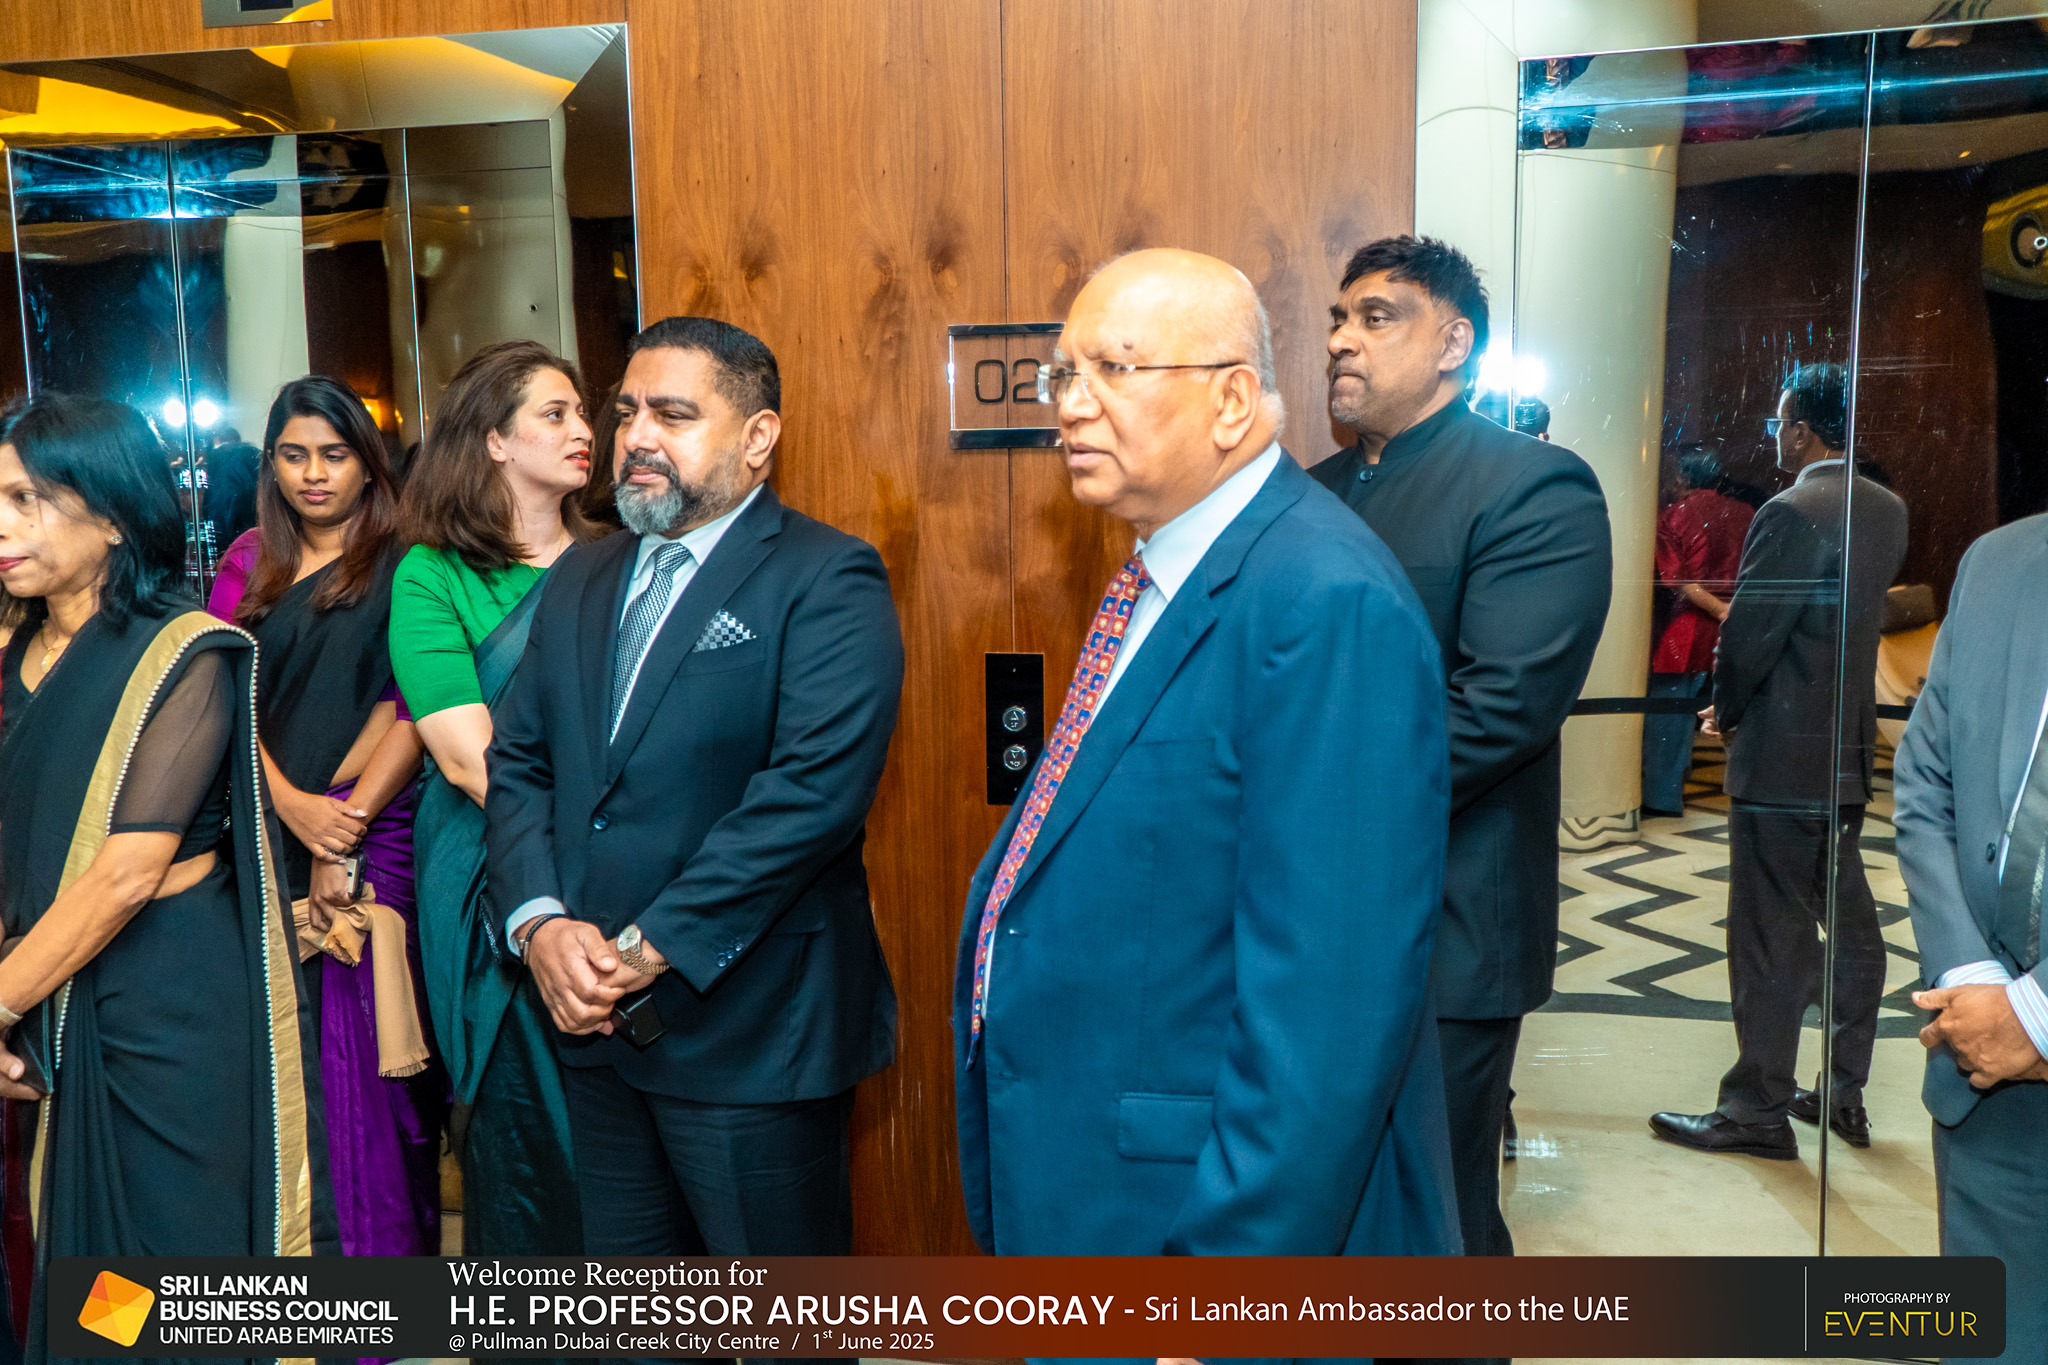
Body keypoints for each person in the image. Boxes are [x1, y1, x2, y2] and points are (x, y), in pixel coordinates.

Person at [954, 248, 1460, 1259]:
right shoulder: (1173, 571)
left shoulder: (1324, 602)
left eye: (1113, 369)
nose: (1071, 405)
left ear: (1231, 401)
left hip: (1203, 1210)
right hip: (1097, 1173)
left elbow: (1327, 1009)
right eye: (1065, 374)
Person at [485, 316, 903, 1259]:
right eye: (628, 411)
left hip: (751, 1034)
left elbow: (809, 798)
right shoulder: (582, 575)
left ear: (758, 437)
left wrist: (645, 951)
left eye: (673, 415)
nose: (636, 436)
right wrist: (540, 924)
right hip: (592, 1028)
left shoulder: (826, 575)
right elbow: (522, 762)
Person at [0, 393, 323, 1357]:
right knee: (86, 1267)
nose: (1, 525)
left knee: (172, 1265)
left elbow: (128, 872)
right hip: (54, 992)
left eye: (24, 499)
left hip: (166, 1006)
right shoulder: (14, 655)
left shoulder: (180, 653)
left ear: (110, 513)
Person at [1311, 235, 1612, 1262]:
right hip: (1304, 923)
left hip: (1448, 930)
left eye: (1375, 317)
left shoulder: (1530, 486)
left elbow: (1498, 710)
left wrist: (1297, 804)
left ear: (1453, 344)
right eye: (1338, 319)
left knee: (1437, 1225)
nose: (1341, 340)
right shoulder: (1305, 492)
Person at [207, 375, 441, 1257]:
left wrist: (345, 820)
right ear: (271, 464)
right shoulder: (248, 561)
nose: (314, 474)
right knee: (287, 1056)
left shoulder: (409, 560)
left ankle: (384, 1273)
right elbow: (220, 698)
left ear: (367, 463)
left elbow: (417, 706)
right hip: (265, 825)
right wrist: (292, 805)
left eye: (334, 455)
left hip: (375, 835)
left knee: (372, 1064)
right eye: (294, 455)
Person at [1652, 362, 1907, 1157]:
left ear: (1800, 430)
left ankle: (1756, 1110)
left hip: (1779, 762)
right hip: (1843, 755)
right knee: (1852, 927)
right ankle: (1843, 1089)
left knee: (1769, 935)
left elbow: (1753, 633)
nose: (1774, 435)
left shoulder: (1791, 509)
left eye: (1778, 421)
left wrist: (1726, 709)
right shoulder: (1887, 508)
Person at [393, 340, 597, 1260]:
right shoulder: (433, 574)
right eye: (556, 413)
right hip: (495, 877)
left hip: (618, 873)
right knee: (525, 1129)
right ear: (494, 440)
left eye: (582, 412)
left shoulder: (618, 560)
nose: (584, 429)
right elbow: (470, 760)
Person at [1892, 517, 2048, 1362]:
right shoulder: (1997, 562)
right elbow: (1926, 781)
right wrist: (1975, 979)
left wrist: (2037, 1013)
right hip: (1985, 1082)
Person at [1643, 442, 1754, 816]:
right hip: (1735, 630)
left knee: (1669, 721)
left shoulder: (1672, 516)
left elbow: (1679, 582)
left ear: (1681, 477)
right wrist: (1731, 613)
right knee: (1723, 717)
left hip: (1685, 631)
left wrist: (1719, 610)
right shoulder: (1747, 513)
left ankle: (1662, 798)